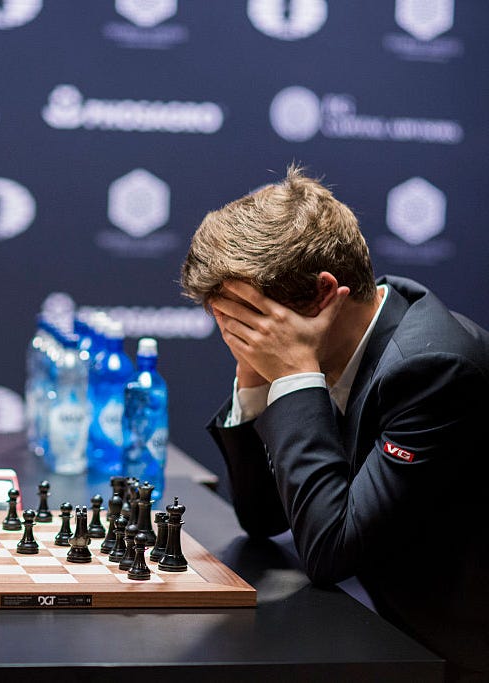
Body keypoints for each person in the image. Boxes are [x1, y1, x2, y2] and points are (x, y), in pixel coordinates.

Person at [180, 165, 489, 681]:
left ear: (324, 294)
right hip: (365, 615)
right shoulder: (345, 339)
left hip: (440, 647)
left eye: (247, 319)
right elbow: (263, 518)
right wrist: (256, 379)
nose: (233, 335)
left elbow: (329, 551)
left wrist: (297, 377)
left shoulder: (434, 370)